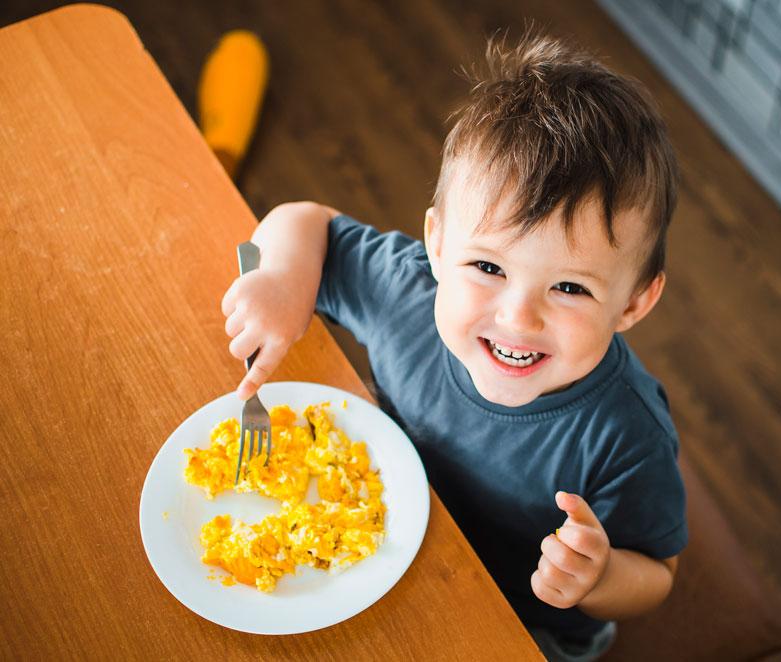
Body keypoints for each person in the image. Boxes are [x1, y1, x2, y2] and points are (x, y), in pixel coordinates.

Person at [221, 31, 686, 661]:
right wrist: (279, 279)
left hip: (523, 622)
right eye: (489, 268)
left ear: (633, 303)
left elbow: (658, 573)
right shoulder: (409, 293)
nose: (517, 316)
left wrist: (599, 579)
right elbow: (307, 221)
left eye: (570, 286)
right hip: (379, 543)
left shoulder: (627, 435)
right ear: (437, 245)